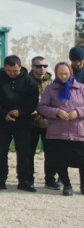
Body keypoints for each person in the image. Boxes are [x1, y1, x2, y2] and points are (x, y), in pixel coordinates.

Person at [0, 55, 40, 192]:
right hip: (2, 122)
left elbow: (33, 100)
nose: (12, 73)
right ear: (4, 68)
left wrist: (21, 111)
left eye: (15, 71)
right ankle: (1, 180)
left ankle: (23, 181)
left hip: (23, 122)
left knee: (24, 152)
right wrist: (3, 113)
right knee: (1, 152)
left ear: (20, 67)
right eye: (9, 71)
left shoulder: (29, 81)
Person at [36, 61, 84, 196]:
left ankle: (83, 186)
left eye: (66, 74)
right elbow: (42, 107)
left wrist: (78, 112)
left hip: (78, 131)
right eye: (60, 74)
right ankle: (67, 185)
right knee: (60, 160)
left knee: (82, 160)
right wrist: (57, 112)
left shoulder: (81, 88)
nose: (63, 76)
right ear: (56, 74)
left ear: (71, 73)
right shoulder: (51, 89)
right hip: (57, 132)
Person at [29, 57, 55, 188]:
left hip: (49, 123)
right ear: (32, 66)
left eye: (45, 66)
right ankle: (28, 179)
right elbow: (24, 103)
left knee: (50, 153)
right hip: (30, 123)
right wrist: (38, 119)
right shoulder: (26, 81)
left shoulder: (52, 83)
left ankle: (50, 179)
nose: (42, 68)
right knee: (28, 152)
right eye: (38, 66)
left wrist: (50, 118)